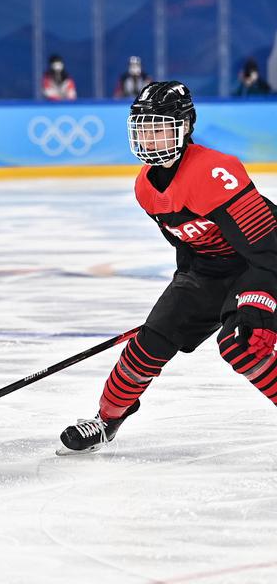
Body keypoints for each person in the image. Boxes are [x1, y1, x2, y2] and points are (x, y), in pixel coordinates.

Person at [58, 81, 277, 454]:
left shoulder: (213, 171)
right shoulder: (145, 188)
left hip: (258, 263)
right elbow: (188, 250)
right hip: (209, 269)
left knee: (241, 344)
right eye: (143, 128)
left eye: (159, 127)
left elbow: (269, 247)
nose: (150, 138)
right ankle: (106, 421)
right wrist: (173, 313)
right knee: (147, 347)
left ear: (185, 127)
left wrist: (260, 306)